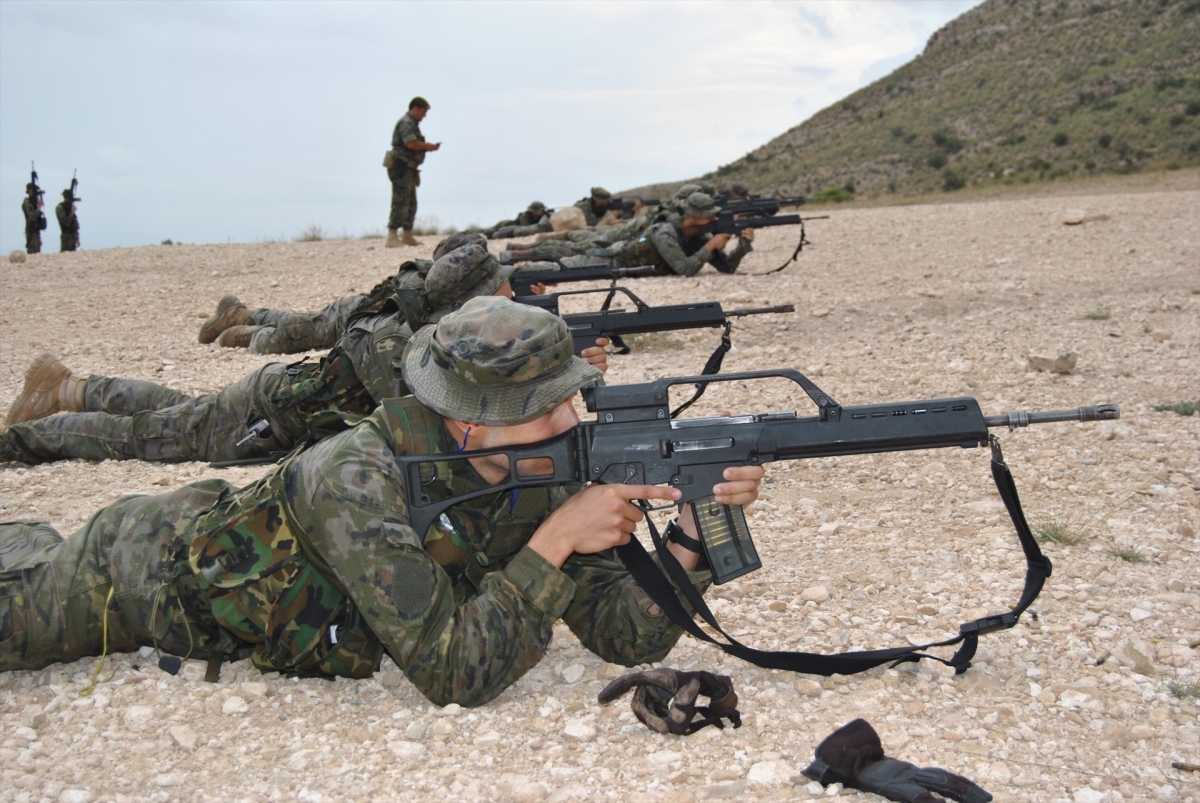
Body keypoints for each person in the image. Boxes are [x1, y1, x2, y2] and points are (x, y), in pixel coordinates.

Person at [0, 296, 764, 709]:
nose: (572, 420)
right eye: (548, 406)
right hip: (135, 577)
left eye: (573, 400)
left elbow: (621, 634)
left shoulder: (543, 463)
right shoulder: (355, 476)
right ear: (470, 422)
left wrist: (690, 538)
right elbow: (454, 672)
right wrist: (555, 541)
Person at [198, 231, 486, 353]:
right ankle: (240, 328)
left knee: (303, 323)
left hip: (357, 313)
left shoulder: (435, 277)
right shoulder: (425, 282)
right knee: (293, 335)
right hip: (353, 319)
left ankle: (242, 315)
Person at [505, 192, 754, 277]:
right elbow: (684, 268)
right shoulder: (666, 231)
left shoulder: (695, 235)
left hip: (616, 260)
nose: (714, 220)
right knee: (559, 265)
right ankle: (509, 269)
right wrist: (710, 246)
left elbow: (727, 268)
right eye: (710, 216)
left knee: (560, 260)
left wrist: (742, 245)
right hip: (608, 258)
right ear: (694, 217)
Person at [386, 96, 441, 249]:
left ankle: (407, 235)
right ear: (415, 108)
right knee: (401, 200)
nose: (424, 116)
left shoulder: (412, 124)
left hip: (409, 168)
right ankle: (392, 235)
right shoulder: (406, 123)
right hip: (401, 167)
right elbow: (411, 143)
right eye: (423, 112)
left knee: (410, 201)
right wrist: (427, 146)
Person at [485, 201, 552, 240]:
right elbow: (526, 227)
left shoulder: (539, 217)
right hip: (507, 224)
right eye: (540, 210)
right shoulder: (525, 216)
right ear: (533, 211)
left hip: (515, 227)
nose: (542, 212)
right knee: (493, 231)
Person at [21, 183, 46, 254]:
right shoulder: (27, 203)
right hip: (31, 232)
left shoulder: (33, 204)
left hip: (36, 232)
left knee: (37, 252)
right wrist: (39, 206)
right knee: (32, 252)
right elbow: (32, 217)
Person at [56, 188, 80, 252]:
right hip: (66, 237)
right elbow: (66, 223)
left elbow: (74, 224)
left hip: (73, 237)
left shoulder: (69, 208)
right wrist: (72, 212)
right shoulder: (60, 208)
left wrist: (77, 237)